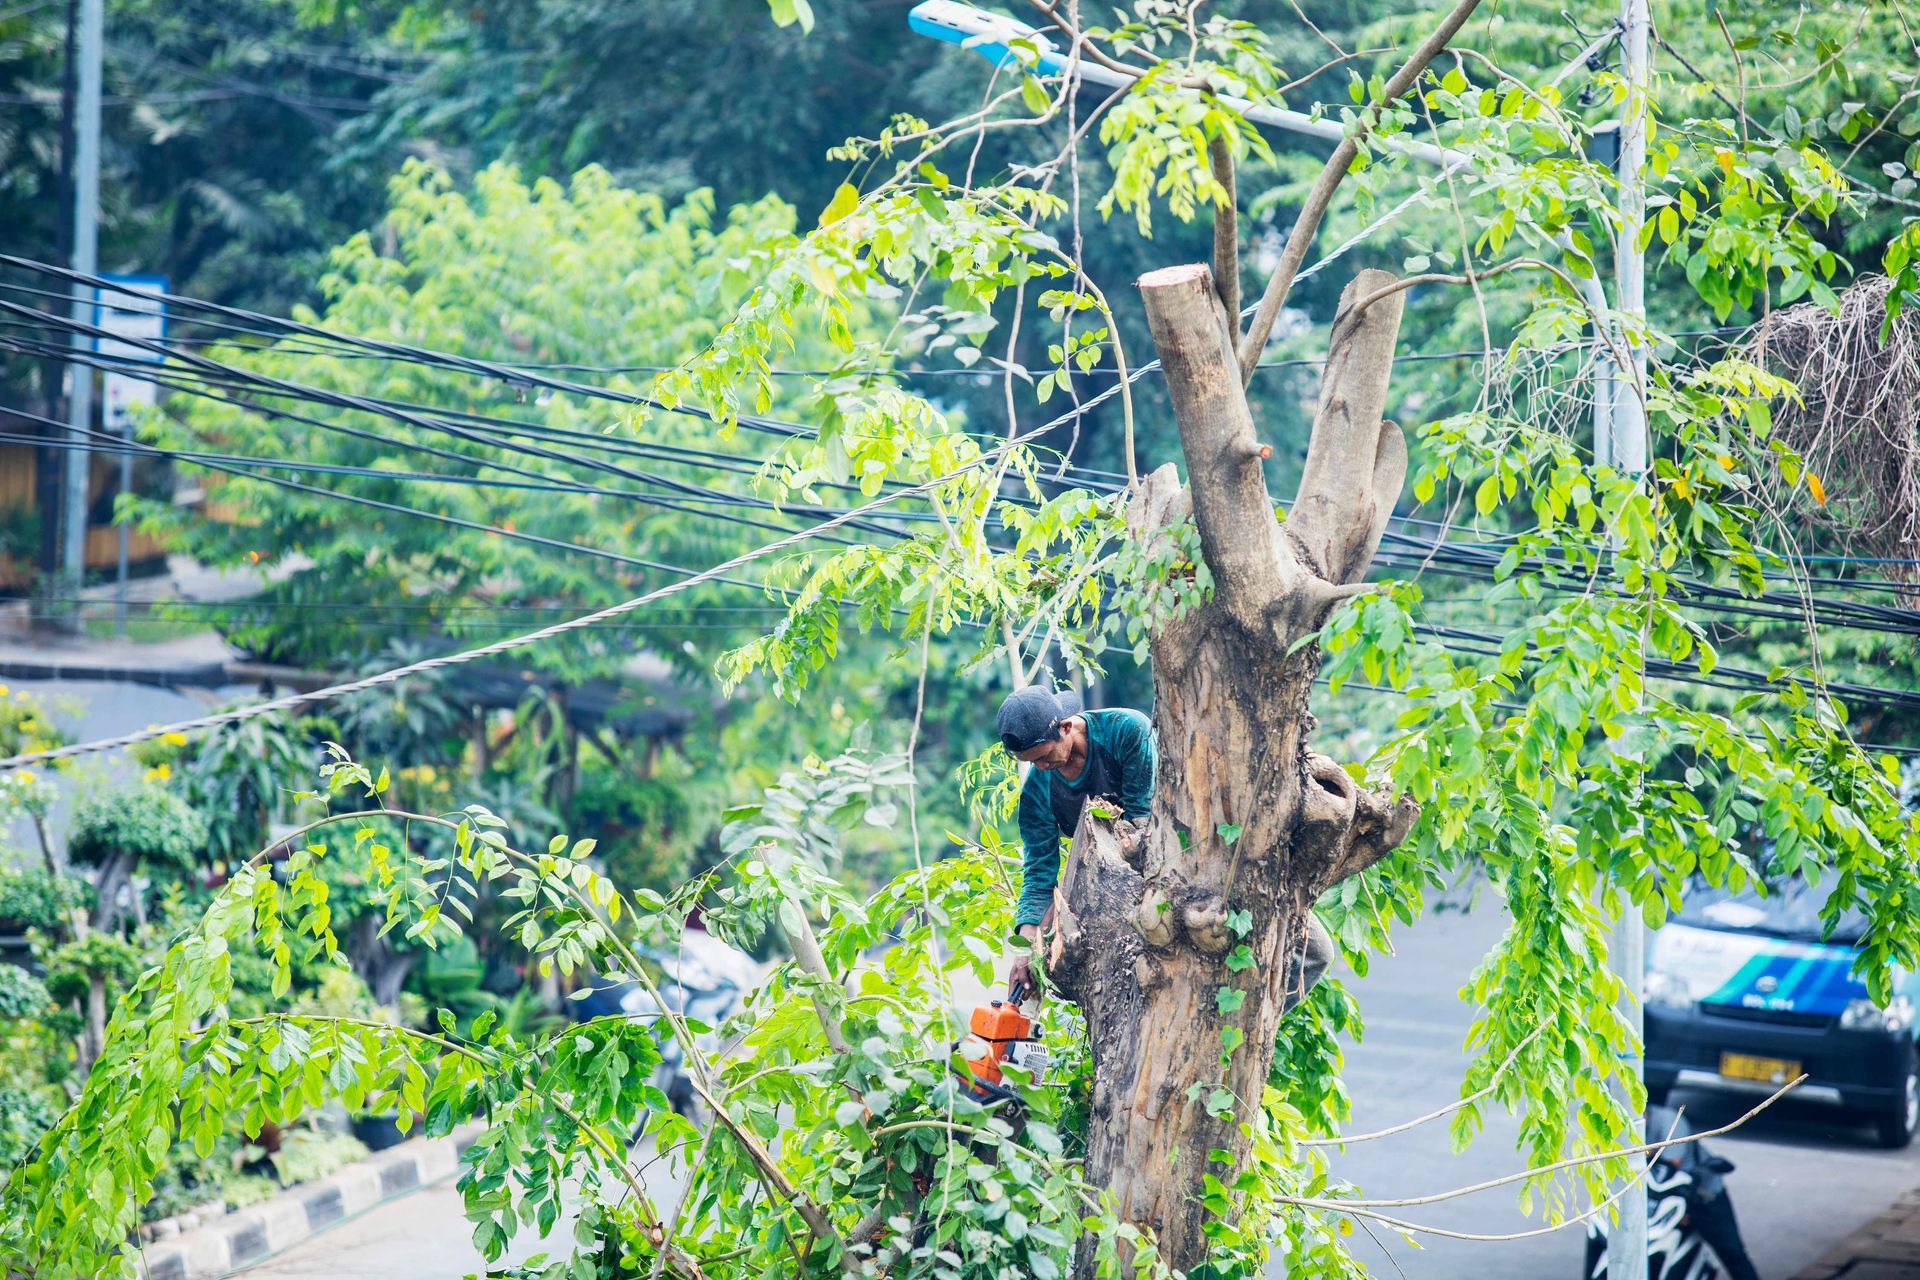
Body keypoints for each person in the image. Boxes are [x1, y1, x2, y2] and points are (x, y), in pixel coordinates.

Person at [996, 684, 1335, 1005]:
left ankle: (1247, 1024)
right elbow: (1039, 878)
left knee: (1315, 953)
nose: (1041, 767)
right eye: (1031, 762)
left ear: (1067, 727)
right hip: (1112, 901)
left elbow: (1143, 822)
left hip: (1194, 857)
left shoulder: (1125, 730)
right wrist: (1024, 950)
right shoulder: (1038, 792)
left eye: (1044, 755)